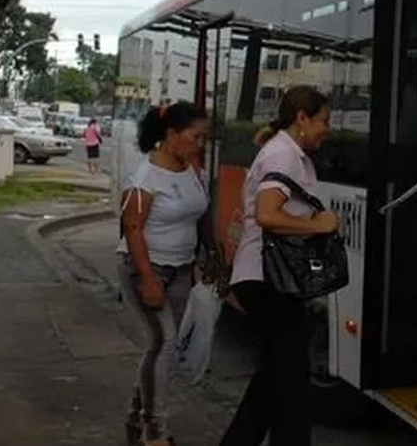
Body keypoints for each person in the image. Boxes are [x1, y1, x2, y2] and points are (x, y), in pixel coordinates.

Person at [220, 85, 339, 446]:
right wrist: (318, 225)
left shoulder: (289, 153)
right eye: (324, 120)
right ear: (301, 117)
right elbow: (267, 215)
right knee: (290, 380)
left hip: (270, 277)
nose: (328, 128)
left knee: (278, 375)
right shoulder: (282, 155)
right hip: (266, 277)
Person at [116, 102, 211, 446]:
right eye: (194, 136)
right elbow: (132, 230)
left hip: (182, 269)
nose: (200, 144)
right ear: (171, 135)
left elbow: (200, 215)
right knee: (164, 343)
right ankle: (155, 432)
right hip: (145, 268)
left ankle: (134, 419)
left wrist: (211, 257)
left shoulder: (192, 169)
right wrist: (148, 280)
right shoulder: (144, 178)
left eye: (204, 137)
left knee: (160, 348)